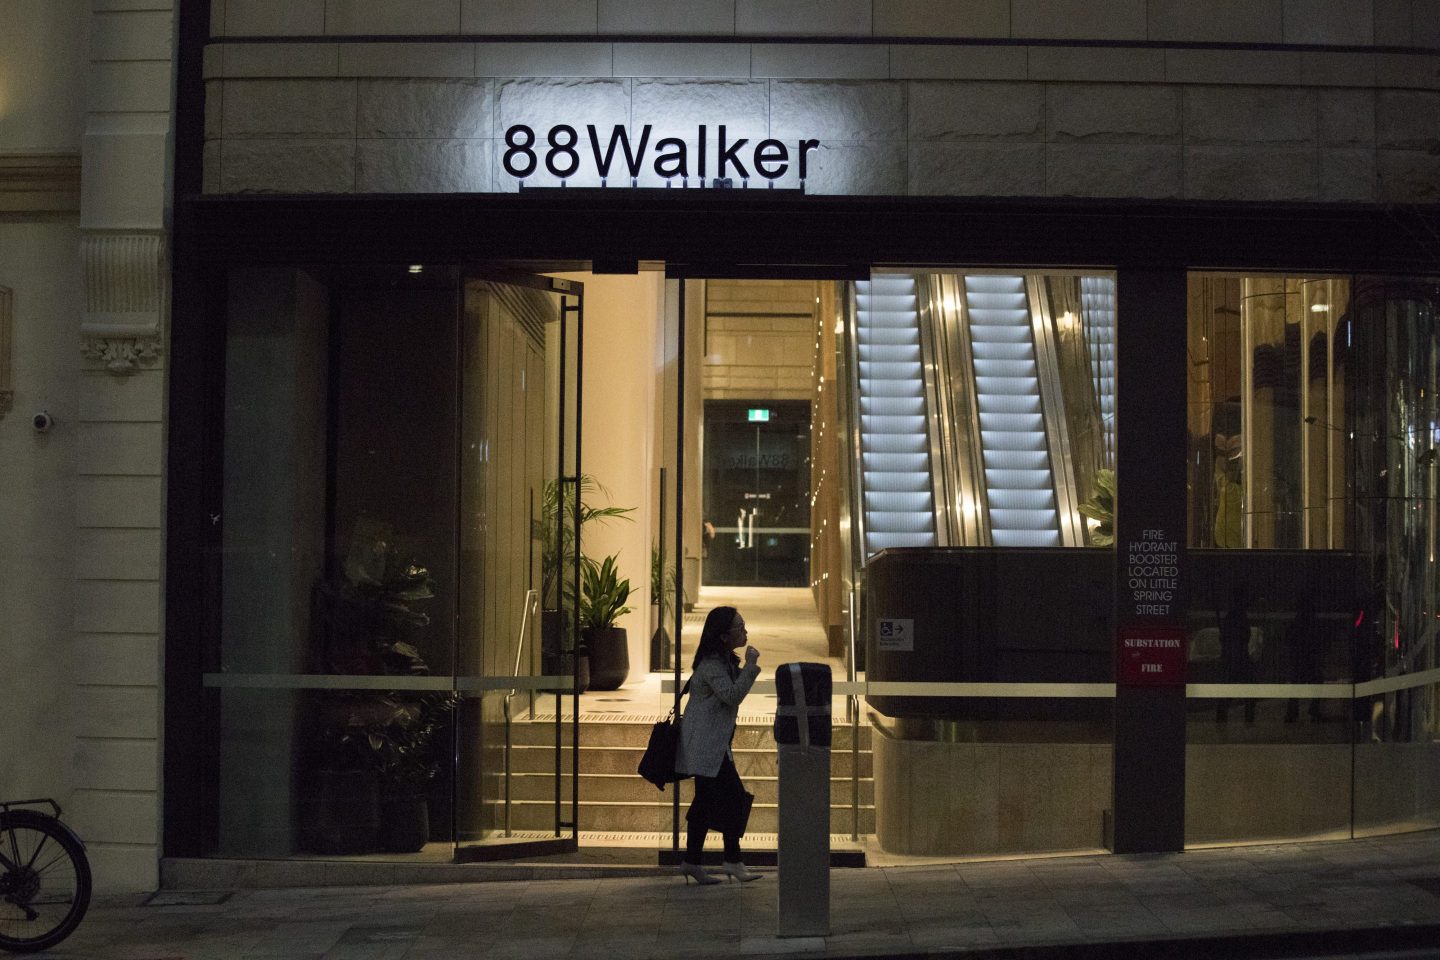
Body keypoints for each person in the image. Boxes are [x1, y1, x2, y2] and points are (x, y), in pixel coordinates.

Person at [675, 605, 762, 884]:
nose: (745, 632)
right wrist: (751, 666)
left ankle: (694, 861)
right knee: (732, 797)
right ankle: (731, 860)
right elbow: (732, 695)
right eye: (740, 627)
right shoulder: (712, 664)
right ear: (723, 636)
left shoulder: (722, 661)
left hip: (713, 745)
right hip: (705, 745)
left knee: (706, 801)